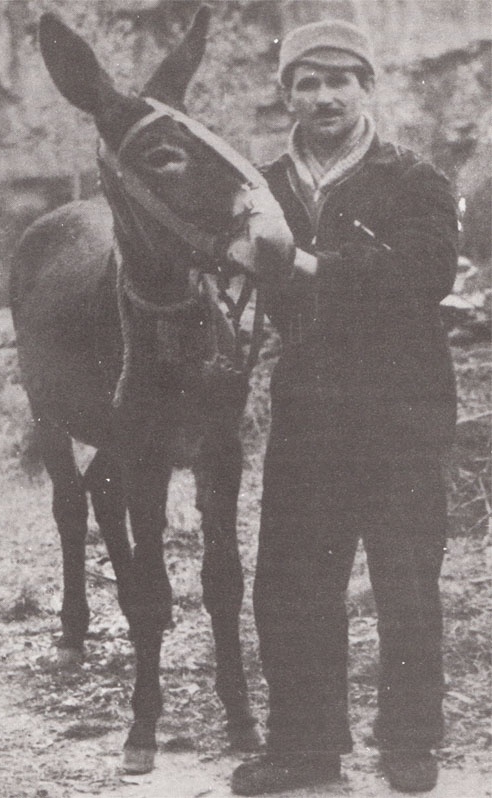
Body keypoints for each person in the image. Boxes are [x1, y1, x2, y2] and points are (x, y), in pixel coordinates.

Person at [230, 18, 458, 796]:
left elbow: (420, 275)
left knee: (406, 577)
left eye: (339, 80)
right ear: (286, 91)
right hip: (309, 411)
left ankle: (409, 740)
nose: (324, 96)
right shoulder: (257, 185)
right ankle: (305, 747)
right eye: (307, 81)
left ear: (367, 87)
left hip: (402, 410)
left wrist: (295, 260)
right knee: (293, 580)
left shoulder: (414, 178)